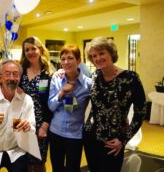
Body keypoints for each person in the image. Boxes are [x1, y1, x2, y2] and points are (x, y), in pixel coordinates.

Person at [83, 37, 146, 172]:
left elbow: (141, 112)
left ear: (111, 53)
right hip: (91, 137)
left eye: (101, 53)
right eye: (94, 56)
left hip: (113, 140)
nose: (98, 58)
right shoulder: (95, 76)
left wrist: (123, 139)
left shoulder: (130, 78)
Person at [48, 44, 92, 172]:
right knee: (57, 168)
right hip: (56, 132)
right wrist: (61, 93)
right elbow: (51, 106)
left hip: (75, 134)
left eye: (70, 58)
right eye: (63, 59)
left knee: (73, 169)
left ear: (78, 60)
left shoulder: (88, 84)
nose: (66, 62)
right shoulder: (56, 79)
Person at [19, 36, 54, 172]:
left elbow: (51, 103)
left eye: (33, 48)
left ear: (40, 49)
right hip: (21, 122)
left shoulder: (49, 74)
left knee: (38, 161)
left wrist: (44, 125)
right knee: (22, 160)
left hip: (41, 124)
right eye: (27, 50)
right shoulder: (21, 71)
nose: (30, 52)